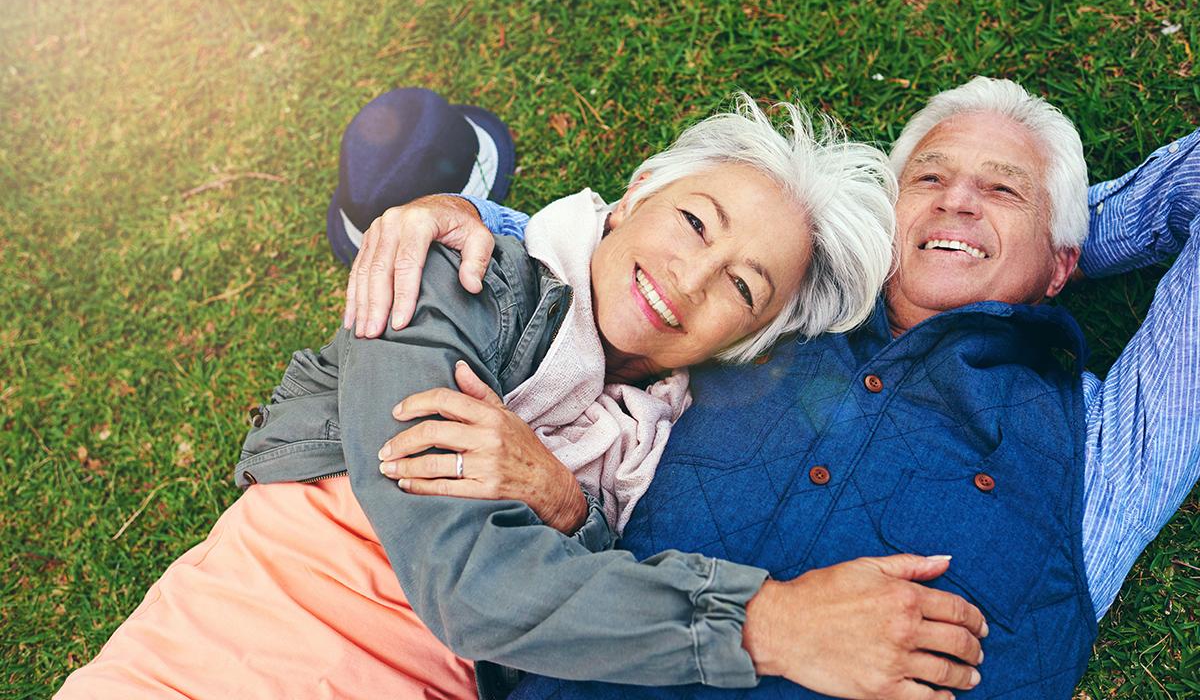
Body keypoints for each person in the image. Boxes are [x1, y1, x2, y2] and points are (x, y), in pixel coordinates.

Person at [346, 76, 1200, 699]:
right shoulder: (756, 318)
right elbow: (640, 264)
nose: (958, 203)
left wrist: (1071, 235)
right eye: (929, 181)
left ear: (1062, 264)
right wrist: (460, 220)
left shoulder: (1108, 441)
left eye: (1002, 189)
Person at [56, 93, 906, 698]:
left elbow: (568, 611)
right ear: (640, 190)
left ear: (747, 341)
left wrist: (569, 507)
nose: (690, 278)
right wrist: (766, 624)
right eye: (694, 222)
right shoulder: (447, 274)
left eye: (744, 289)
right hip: (227, 648)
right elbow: (468, 585)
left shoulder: (670, 442)